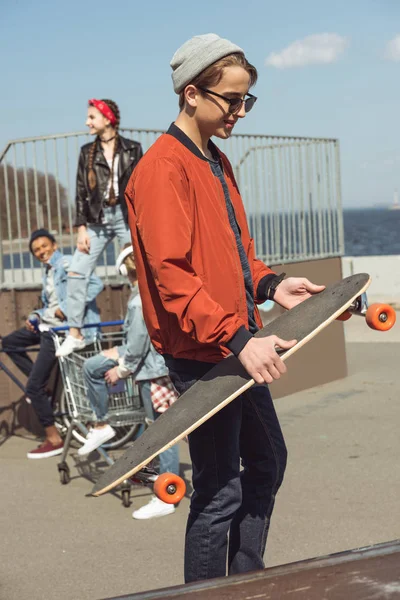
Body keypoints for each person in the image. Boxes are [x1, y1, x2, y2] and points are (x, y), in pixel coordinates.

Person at [124, 34, 325, 581]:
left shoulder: (215, 160)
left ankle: (246, 580)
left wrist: (272, 285)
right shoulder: (163, 168)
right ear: (192, 94)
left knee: (267, 463)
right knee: (217, 492)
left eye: (246, 100)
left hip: (234, 344)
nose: (240, 111)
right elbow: (172, 278)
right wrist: (240, 338)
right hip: (203, 355)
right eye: (231, 99)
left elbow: (234, 259)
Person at [79, 245, 180, 519]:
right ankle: (165, 487)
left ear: (125, 268)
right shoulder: (146, 295)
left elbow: (137, 343)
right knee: (162, 431)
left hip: (152, 372)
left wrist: (122, 369)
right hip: (155, 369)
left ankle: (167, 495)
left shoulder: (138, 301)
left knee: (163, 433)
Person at [1, 229, 103, 459]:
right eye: (36, 250)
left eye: (44, 247)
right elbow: (50, 305)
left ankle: (53, 438)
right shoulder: (47, 272)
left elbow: (95, 284)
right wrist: (35, 315)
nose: (41, 252)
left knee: (32, 387)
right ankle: (45, 386)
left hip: (60, 330)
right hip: (46, 325)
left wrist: (66, 309)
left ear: (55, 245)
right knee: (9, 343)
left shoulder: (66, 263)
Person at [56, 99, 143, 358]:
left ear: (107, 119)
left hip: (126, 218)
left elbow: (141, 187)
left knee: (142, 269)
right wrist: (81, 228)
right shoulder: (87, 152)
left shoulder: (132, 149)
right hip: (97, 221)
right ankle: (75, 333)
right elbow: (81, 192)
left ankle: (149, 321)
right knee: (76, 272)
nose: (87, 122)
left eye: (92, 117)